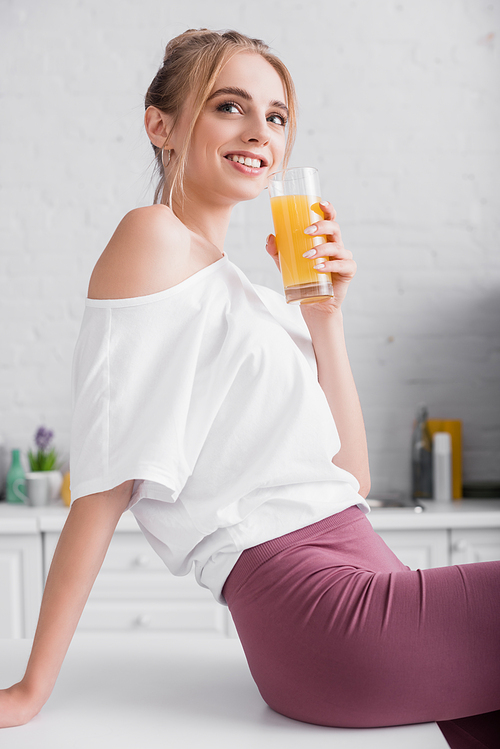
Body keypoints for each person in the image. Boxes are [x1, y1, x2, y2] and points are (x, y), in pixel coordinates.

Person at [0, 29, 498, 748]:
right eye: (230, 106)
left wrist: (324, 319)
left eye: (276, 116)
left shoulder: (255, 297)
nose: (259, 132)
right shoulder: (152, 238)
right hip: (317, 608)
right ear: (159, 124)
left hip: (360, 589)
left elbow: (350, 477)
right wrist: (29, 688)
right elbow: (106, 482)